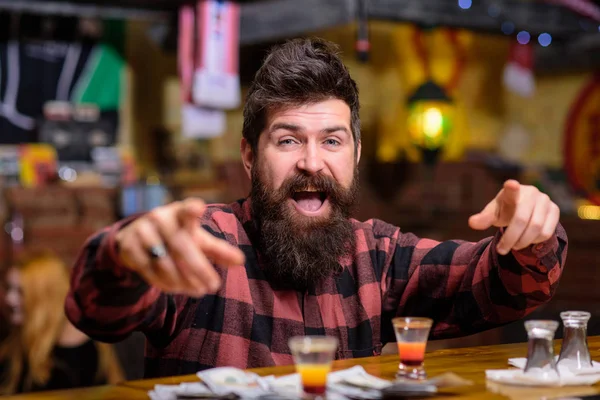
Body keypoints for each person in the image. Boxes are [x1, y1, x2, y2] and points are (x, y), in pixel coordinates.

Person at [66, 38, 567, 379]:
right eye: (287, 141)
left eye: (332, 139)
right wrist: (122, 254)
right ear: (249, 156)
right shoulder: (207, 244)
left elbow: (504, 288)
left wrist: (531, 233)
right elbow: (97, 312)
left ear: (356, 153)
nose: (311, 162)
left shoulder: (379, 254)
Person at [0, 253, 124, 394]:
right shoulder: (20, 334)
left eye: (20, 292)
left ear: (45, 298)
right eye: (8, 288)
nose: (9, 299)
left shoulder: (77, 348)